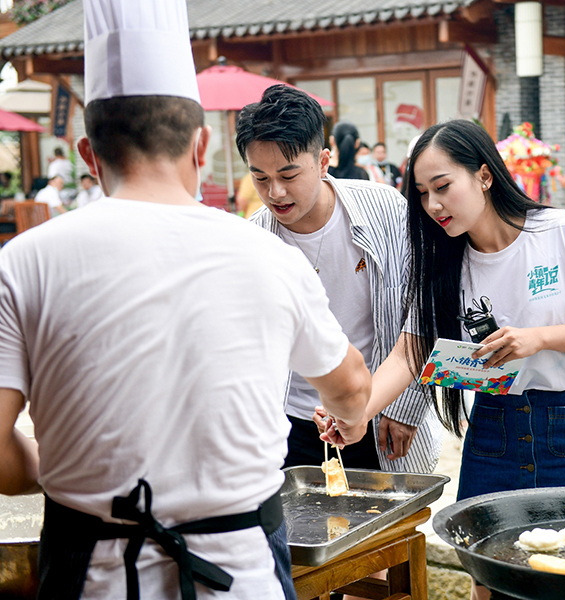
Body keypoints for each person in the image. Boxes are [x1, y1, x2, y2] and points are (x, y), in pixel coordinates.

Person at [0, 1, 371, 599]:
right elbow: (351, 389)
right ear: (200, 148)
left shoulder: (22, 262)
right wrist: (351, 418)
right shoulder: (271, 257)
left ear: (88, 156)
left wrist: (64, 466)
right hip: (241, 574)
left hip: (91, 576)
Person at [322, 119, 565, 600]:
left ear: (484, 175)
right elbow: (411, 350)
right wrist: (356, 414)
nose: (433, 205)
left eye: (442, 186)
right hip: (493, 428)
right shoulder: (441, 260)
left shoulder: (561, 232)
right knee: (488, 574)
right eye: (421, 193)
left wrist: (538, 339)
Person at [237, 85, 443, 475]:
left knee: (386, 528)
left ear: (323, 161)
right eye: (260, 178)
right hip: (290, 420)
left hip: (382, 412)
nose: (275, 192)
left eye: (288, 174)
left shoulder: (384, 209)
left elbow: (421, 311)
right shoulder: (254, 241)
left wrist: (405, 407)